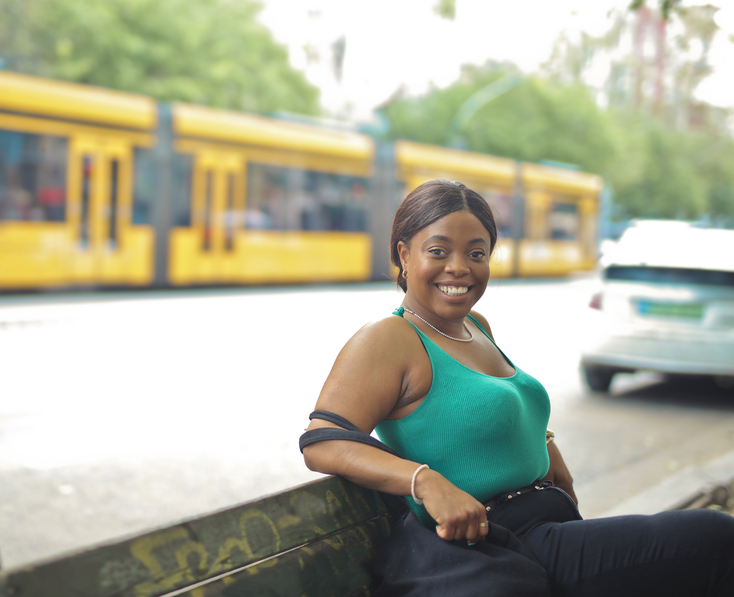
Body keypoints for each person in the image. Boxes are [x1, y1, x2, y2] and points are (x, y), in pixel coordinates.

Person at [301, 179, 734, 596]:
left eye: (477, 253)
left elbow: (489, 409)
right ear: (404, 255)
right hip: (495, 542)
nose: (459, 268)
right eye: (438, 251)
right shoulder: (389, 338)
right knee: (713, 539)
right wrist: (426, 482)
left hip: (548, 524)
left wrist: (544, 443)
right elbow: (322, 441)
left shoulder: (474, 325)